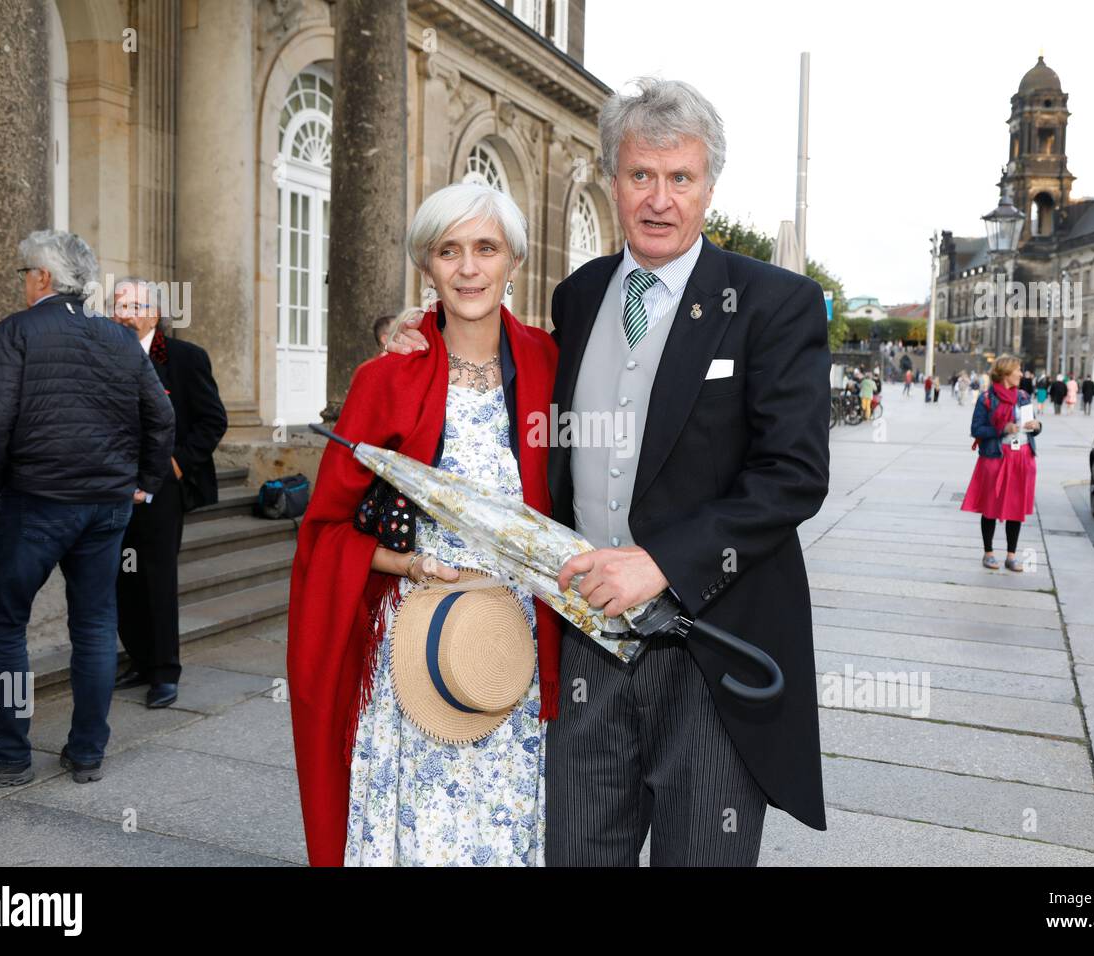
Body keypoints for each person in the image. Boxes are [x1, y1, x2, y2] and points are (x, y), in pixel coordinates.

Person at [390, 77, 831, 866]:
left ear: (709, 185)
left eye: (681, 179)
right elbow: (495, 357)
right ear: (612, 179)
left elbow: (792, 475)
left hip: (711, 655)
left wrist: (662, 563)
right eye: (640, 176)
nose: (659, 200)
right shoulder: (581, 295)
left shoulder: (774, 303)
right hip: (585, 649)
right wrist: (416, 333)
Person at [287, 182, 563, 866]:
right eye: (449, 251)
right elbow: (326, 532)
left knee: (509, 833)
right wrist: (411, 566)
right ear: (427, 265)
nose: (468, 268)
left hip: (520, 655)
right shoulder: (386, 379)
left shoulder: (555, 368)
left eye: (485, 248)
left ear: (513, 261)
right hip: (420, 652)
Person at [0, 230, 175, 792]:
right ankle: (87, 752)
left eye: (25, 273)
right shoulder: (119, 341)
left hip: (34, 504)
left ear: (42, 277)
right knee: (94, 626)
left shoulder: (10, 335)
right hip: (107, 507)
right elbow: (161, 420)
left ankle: (6, 754)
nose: (23, 282)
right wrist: (142, 483)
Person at [110, 277, 228, 709]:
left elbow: (212, 421)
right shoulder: (102, 356)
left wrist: (176, 465)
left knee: (156, 579)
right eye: (118, 306)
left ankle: (164, 670)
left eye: (135, 306)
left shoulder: (184, 358)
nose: (125, 314)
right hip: (113, 489)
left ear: (154, 313)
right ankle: (139, 659)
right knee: (123, 578)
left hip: (163, 490)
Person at [961, 354, 1041, 572]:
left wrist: (1036, 425)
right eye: (1017, 370)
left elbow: (1034, 427)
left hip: (1022, 457)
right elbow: (976, 429)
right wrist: (1002, 429)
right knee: (990, 505)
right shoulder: (987, 398)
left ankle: (1011, 556)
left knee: (1015, 506)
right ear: (1006, 373)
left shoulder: (1023, 396)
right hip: (996, 457)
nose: (1021, 374)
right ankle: (988, 553)